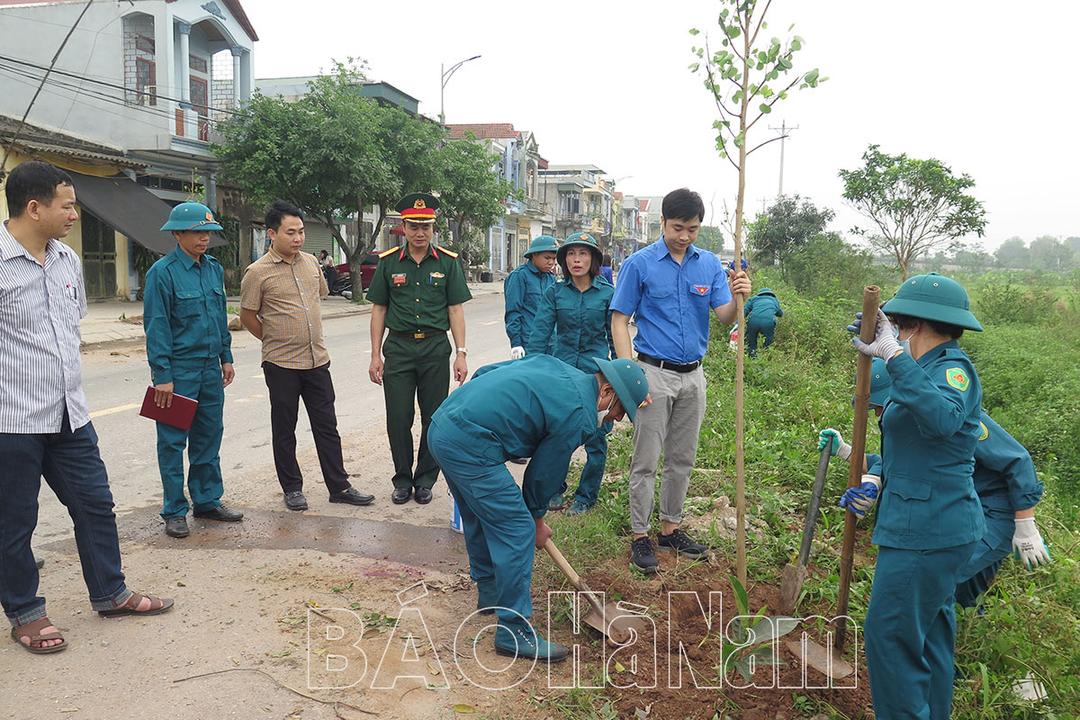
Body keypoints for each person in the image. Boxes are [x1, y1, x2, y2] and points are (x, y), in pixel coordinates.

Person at [0, 161, 173, 654]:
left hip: (70, 415)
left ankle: (111, 592)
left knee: (95, 504)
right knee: (15, 522)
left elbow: (68, 329)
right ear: (34, 208)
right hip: (10, 420)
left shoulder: (66, 260)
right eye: (68, 204)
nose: (76, 213)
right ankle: (26, 612)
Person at [427, 354, 649, 662]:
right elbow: (544, 472)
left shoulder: (558, 366)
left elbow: (487, 370)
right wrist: (536, 518)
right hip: (469, 443)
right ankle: (513, 632)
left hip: (443, 424)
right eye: (618, 410)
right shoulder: (579, 413)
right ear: (607, 390)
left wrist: (480, 412)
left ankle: (491, 591)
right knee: (517, 527)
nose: (615, 419)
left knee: (480, 512)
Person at [839, 273, 987, 719]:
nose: (897, 335)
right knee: (931, 636)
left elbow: (941, 417)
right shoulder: (923, 370)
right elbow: (910, 442)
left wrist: (891, 355)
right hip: (931, 527)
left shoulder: (952, 370)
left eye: (899, 327)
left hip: (926, 532)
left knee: (891, 636)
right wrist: (874, 479)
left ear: (917, 326)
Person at [819, 360, 1050, 610]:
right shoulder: (914, 422)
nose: (878, 414)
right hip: (959, 505)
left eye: (879, 406)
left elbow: (1018, 460)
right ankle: (967, 623)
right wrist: (845, 452)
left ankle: (939, 633)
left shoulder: (952, 412)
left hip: (994, 513)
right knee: (964, 587)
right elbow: (894, 465)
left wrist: (1025, 524)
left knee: (939, 576)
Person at [610, 188, 751, 574]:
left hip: (694, 376)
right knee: (646, 460)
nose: (685, 236)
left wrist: (741, 296)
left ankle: (670, 528)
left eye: (692, 229)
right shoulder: (639, 265)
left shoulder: (708, 265)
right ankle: (641, 535)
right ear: (663, 223)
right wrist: (629, 371)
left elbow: (724, 316)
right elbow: (619, 318)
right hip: (653, 372)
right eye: (677, 228)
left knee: (682, 458)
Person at [239, 201, 374, 511]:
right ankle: (292, 488)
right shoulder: (257, 273)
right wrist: (273, 339)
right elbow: (247, 316)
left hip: (317, 361)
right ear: (272, 233)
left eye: (301, 231)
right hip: (281, 364)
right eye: (291, 232)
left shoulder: (312, 263)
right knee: (285, 428)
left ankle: (339, 486)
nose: (298, 238)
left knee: (327, 425)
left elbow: (320, 296)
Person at [144, 201, 242, 538]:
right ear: (177, 233)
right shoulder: (162, 273)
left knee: (208, 435)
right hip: (179, 371)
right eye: (197, 232)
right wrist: (163, 377)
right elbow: (157, 327)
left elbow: (219, 316)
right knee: (172, 442)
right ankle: (174, 509)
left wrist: (226, 357)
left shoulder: (212, 269)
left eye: (208, 232)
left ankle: (207, 500)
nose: (204, 238)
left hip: (210, 369)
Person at [367, 193, 471, 505]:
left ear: (433, 227)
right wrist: (375, 355)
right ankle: (402, 479)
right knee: (398, 417)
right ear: (403, 227)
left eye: (426, 226)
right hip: (398, 349)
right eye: (414, 226)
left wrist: (461, 352)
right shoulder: (388, 263)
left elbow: (455, 310)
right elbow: (378, 310)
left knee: (434, 417)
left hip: (435, 349)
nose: (420, 232)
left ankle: (425, 478)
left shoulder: (448, 263)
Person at [526, 232, 615, 515]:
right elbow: (540, 333)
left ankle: (586, 496)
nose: (577, 260)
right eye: (571, 254)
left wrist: (619, 374)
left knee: (596, 438)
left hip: (595, 376)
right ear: (564, 260)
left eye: (583, 253)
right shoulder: (555, 292)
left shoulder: (607, 293)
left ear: (594, 259)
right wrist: (531, 369)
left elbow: (615, 337)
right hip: (562, 373)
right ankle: (554, 488)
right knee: (556, 434)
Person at [503, 235, 558, 360]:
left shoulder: (551, 278)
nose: (551, 262)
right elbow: (513, 312)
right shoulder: (519, 276)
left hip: (552, 343)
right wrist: (516, 343)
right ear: (534, 255)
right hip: (529, 343)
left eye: (554, 259)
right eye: (547, 258)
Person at [743, 287, 783, 357]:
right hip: (768, 322)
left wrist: (738, 321)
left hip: (753, 321)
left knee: (751, 339)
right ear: (771, 294)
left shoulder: (754, 299)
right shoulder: (774, 300)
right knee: (768, 340)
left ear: (760, 294)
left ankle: (752, 355)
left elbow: (744, 311)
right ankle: (766, 355)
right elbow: (780, 313)